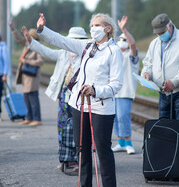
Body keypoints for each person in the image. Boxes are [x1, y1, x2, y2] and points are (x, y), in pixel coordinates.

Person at [22, 13, 123, 187]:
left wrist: (95, 90)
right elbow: (61, 41)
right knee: (82, 150)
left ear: (108, 29)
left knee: (102, 149)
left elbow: (116, 84)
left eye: (97, 25)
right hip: (78, 104)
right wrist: (42, 30)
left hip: (101, 107)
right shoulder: (87, 45)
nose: (93, 29)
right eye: (91, 25)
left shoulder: (114, 51)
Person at [141, 13, 179, 177]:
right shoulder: (155, 43)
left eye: (162, 32)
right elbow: (148, 63)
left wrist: (175, 81)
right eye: (157, 33)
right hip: (163, 93)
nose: (160, 36)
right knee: (164, 130)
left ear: (170, 26)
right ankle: (167, 163)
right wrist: (146, 74)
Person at [26, 26, 88, 171]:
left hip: (79, 99)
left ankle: (80, 161)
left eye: (76, 41)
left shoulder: (87, 56)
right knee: (62, 128)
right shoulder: (63, 53)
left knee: (79, 130)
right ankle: (65, 158)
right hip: (63, 97)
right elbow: (46, 52)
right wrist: (32, 42)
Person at [111, 16, 139, 155]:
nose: (122, 42)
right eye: (120, 40)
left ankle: (128, 143)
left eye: (124, 40)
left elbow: (133, 45)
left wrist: (124, 30)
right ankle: (121, 142)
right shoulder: (115, 55)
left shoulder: (131, 56)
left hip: (125, 91)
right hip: (113, 92)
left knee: (123, 116)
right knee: (115, 117)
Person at [9, 19, 44, 126]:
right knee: (27, 99)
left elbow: (40, 61)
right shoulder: (27, 45)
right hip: (25, 76)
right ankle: (29, 117)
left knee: (33, 99)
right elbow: (19, 39)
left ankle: (37, 119)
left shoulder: (38, 47)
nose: (27, 37)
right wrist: (13, 29)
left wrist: (27, 61)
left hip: (32, 77)